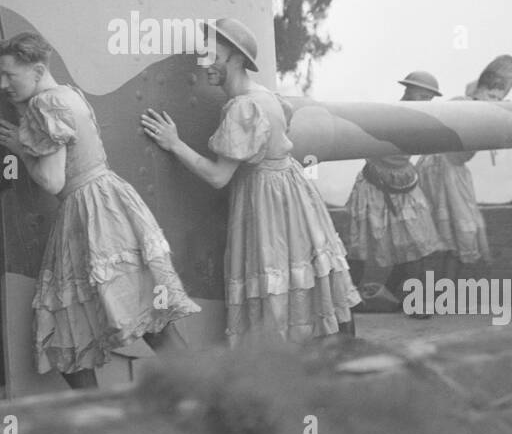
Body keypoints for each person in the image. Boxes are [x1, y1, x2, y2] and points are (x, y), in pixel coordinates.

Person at [0, 32, 198, 390]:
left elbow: (52, 181)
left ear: (38, 69)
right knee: (152, 318)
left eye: (11, 75)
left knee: (66, 330)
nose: (3, 83)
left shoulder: (46, 105)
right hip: (111, 201)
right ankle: (209, 395)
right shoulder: (69, 94)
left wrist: (21, 149)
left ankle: (95, 418)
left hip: (87, 210)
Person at [140, 17, 359, 343]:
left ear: (237, 58)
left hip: (266, 200)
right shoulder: (266, 95)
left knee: (275, 278)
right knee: (301, 273)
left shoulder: (243, 108)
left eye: (213, 55)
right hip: (293, 193)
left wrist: (175, 144)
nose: (206, 65)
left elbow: (217, 176)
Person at [344, 71, 447, 316]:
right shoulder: (386, 113)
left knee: (415, 244)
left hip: (405, 186)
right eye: (420, 94)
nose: (424, 99)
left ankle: (414, 301)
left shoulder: (425, 118)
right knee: (360, 249)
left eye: (429, 97)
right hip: (375, 186)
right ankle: (345, 300)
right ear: (407, 90)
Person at [416, 56, 512, 278]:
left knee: (461, 236)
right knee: (437, 236)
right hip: (438, 169)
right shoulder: (461, 102)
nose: (494, 100)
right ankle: (424, 299)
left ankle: (441, 297)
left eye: (498, 97)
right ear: (478, 91)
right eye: (490, 95)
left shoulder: (491, 117)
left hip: (455, 173)